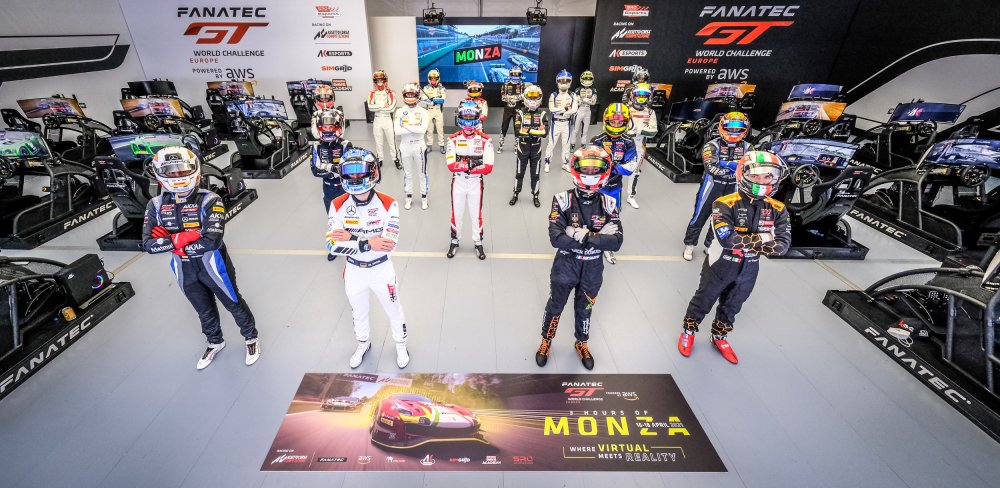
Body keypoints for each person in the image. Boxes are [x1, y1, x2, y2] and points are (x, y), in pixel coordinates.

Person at [141, 147, 259, 370]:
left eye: (182, 170)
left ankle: (251, 337)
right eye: (171, 171)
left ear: (195, 170)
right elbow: (148, 245)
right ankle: (215, 342)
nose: (177, 176)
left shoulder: (210, 199)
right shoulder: (155, 205)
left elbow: (212, 241)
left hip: (213, 263)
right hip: (182, 266)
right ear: (159, 173)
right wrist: (184, 237)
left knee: (232, 301)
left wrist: (170, 241)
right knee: (202, 308)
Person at [677, 151, 791, 364]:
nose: (762, 181)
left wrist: (747, 239)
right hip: (719, 264)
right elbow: (728, 241)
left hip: (750, 268)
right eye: (755, 176)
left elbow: (782, 247)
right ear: (743, 175)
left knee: (733, 305)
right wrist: (766, 237)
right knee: (704, 299)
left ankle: (719, 337)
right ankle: (689, 331)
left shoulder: (779, 209)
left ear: (775, 178)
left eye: (768, 176)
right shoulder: (723, 203)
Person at [536, 146, 622, 370]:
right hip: (565, 265)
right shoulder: (562, 199)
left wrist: (579, 234)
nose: (591, 173)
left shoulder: (609, 202)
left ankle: (581, 342)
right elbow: (556, 239)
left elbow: (616, 242)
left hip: (593, 269)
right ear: (576, 169)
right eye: (586, 168)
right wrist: (598, 236)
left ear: (604, 171)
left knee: (585, 309)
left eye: (596, 169)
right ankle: (546, 340)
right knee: (555, 305)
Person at [326, 147, 410, 369]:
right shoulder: (337, 204)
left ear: (373, 172)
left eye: (359, 171)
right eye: (349, 172)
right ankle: (363, 344)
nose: (355, 177)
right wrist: (368, 243)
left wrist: (351, 238)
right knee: (358, 312)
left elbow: (388, 246)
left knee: (394, 309)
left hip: (382, 270)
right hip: (354, 271)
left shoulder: (389, 203)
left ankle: (401, 345)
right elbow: (333, 246)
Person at [683, 111, 751, 261]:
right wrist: (734, 166)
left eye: (738, 128)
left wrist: (723, 163)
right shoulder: (711, 145)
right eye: (730, 127)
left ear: (744, 129)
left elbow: (750, 169)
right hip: (711, 186)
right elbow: (711, 168)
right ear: (722, 127)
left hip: (734, 188)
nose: (733, 131)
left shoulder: (748, 147)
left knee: (722, 218)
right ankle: (690, 245)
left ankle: (710, 244)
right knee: (699, 216)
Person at [590, 103, 639, 264]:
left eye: (620, 122)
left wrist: (608, 165)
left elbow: (630, 168)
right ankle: (591, 243)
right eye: (613, 121)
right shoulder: (596, 140)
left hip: (615, 188)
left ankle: (607, 247)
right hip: (597, 187)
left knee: (613, 217)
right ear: (606, 120)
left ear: (626, 122)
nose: (616, 125)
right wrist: (614, 166)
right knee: (592, 216)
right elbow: (590, 166)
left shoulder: (628, 142)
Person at [446, 101, 494, 260]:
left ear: (477, 117)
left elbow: (488, 167)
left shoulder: (486, 140)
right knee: (456, 214)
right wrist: (473, 164)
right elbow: (451, 166)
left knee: (476, 215)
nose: (468, 120)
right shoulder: (452, 139)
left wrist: (464, 165)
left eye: (471, 116)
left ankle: (478, 242)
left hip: (475, 183)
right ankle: (454, 241)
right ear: (459, 117)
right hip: (458, 183)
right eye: (465, 116)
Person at [310, 109, 353, 261]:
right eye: (325, 127)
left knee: (350, 219)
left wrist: (326, 167)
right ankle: (335, 247)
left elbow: (347, 169)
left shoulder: (346, 145)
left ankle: (351, 245)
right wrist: (332, 169)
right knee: (333, 219)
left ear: (338, 126)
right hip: (327, 189)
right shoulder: (316, 146)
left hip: (344, 188)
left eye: (331, 127)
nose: (328, 130)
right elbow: (315, 170)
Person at [509, 84, 548, 207]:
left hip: (536, 149)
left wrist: (528, 130)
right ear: (525, 97)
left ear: (540, 98)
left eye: (535, 97)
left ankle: (535, 195)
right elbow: (518, 132)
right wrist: (536, 130)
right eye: (530, 97)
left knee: (535, 174)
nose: (533, 100)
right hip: (523, 148)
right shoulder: (520, 113)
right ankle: (515, 194)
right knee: (519, 173)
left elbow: (544, 133)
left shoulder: (542, 114)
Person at [394, 83, 430, 210]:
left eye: (412, 94)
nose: (410, 97)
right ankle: (408, 197)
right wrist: (414, 127)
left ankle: (424, 198)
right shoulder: (399, 111)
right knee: (407, 174)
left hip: (419, 146)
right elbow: (397, 131)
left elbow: (422, 130)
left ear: (417, 95)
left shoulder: (424, 112)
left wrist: (405, 125)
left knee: (422, 173)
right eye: (407, 94)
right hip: (404, 146)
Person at [624, 82, 657, 209]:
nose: (641, 97)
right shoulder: (625, 109)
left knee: (635, 171)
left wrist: (638, 130)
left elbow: (653, 132)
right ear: (633, 95)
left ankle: (631, 196)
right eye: (639, 95)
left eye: (644, 95)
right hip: (623, 141)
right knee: (615, 168)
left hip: (639, 144)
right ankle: (608, 192)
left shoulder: (650, 112)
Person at [544, 70, 578, 173]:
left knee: (566, 145)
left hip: (567, 124)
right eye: (562, 81)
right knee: (551, 144)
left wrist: (561, 112)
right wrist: (566, 109)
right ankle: (547, 163)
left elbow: (574, 110)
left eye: (567, 81)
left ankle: (565, 164)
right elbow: (551, 109)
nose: (564, 83)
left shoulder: (573, 95)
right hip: (556, 123)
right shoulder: (554, 95)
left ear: (570, 82)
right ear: (557, 81)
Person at [366, 70, 399, 169]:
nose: (379, 82)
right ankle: (380, 159)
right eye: (377, 80)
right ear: (375, 82)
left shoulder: (391, 93)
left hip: (387, 119)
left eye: (381, 80)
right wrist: (382, 106)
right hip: (377, 120)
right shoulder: (372, 93)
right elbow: (370, 107)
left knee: (392, 142)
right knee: (378, 142)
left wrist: (377, 107)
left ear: (385, 80)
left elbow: (391, 108)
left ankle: (395, 159)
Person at [498, 67, 524, 153]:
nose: (516, 76)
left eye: (518, 74)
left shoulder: (522, 84)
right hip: (507, 110)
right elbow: (502, 97)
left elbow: (523, 96)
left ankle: (517, 146)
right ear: (510, 74)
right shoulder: (505, 84)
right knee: (504, 127)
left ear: (520, 75)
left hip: (517, 110)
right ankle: (500, 145)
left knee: (517, 127)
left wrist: (511, 97)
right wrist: (514, 98)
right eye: (514, 74)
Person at [420, 69, 447, 154]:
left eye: (435, 79)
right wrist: (433, 101)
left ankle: (442, 146)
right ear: (429, 79)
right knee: (429, 129)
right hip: (429, 111)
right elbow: (424, 100)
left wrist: (432, 100)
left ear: (438, 79)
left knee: (440, 129)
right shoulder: (426, 88)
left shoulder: (442, 88)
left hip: (438, 111)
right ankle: (429, 145)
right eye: (432, 78)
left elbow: (442, 100)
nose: (433, 80)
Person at [571, 70, 598, 151]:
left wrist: (584, 99)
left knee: (585, 130)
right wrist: (587, 100)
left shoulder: (593, 90)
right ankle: (572, 144)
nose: (587, 80)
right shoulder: (578, 89)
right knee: (575, 129)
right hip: (579, 111)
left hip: (587, 111)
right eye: (586, 78)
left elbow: (593, 102)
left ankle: (583, 144)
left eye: (589, 78)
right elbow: (577, 102)